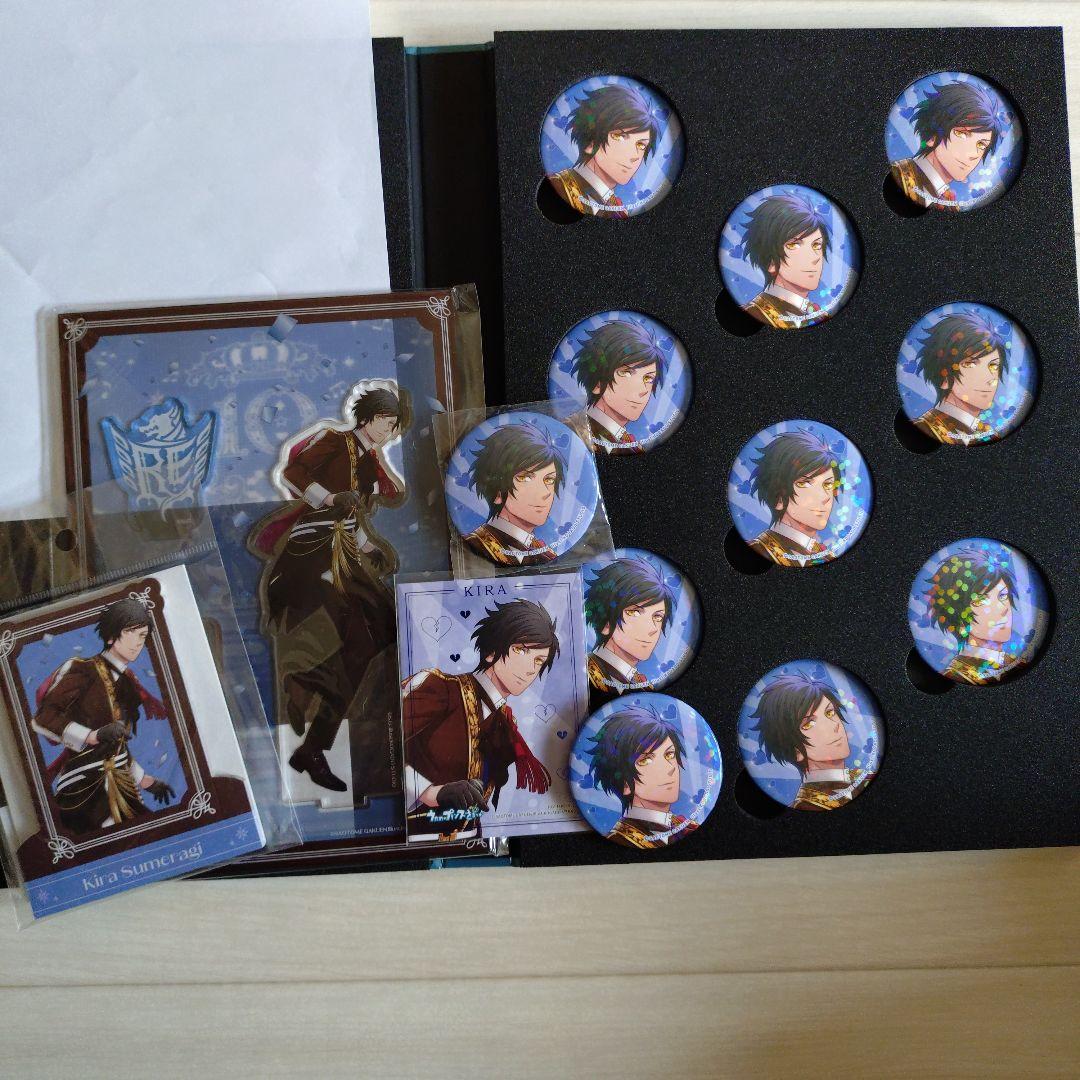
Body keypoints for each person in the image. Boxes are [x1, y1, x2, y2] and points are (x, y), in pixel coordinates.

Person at [249, 385, 408, 793]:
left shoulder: (370, 463)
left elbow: (352, 519)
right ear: (368, 417)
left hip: (345, 555)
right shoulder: (335, 441)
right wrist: (329, 496)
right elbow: (293, 473)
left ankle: (311, 710)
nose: (389, 431)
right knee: (358, 638)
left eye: (394, 426)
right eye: (386, 422)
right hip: (313, 552)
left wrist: (372, 548)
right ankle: (311, 709)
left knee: (385, 631)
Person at [402, 600, 558, 840]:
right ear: (491, 652)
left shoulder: (504, 723)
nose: (530, 668)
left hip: (469, 841)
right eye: (521, 650)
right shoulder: (440, 689)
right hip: (411, 839)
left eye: (539, 660)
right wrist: (431, 793)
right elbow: (378, 751)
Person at [32, 598, 174, 835]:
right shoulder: (82, 669)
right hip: (83, 789)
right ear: (110, 636)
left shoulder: (128, 682)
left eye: (142, 634)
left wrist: (146, 781)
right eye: (130, 631)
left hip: (120, 785)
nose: (137, 641)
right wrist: (92, 736)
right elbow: (43, 718)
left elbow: (116, 747)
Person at [749, 671, 872, 811]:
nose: (834, 725)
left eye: (830, 712)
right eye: (809, 724)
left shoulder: (864, 777)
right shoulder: (806, 805)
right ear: (795, 750)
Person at [584, 704, 695, 848]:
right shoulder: (621, 839)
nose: (670, 768)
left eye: (669, 754)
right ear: (625, 783)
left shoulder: (685, 826)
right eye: (646, 760)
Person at [547, 83, 660, 217]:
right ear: (590, 141)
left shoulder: (618, 209)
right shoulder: (558, 187)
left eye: (641, 145)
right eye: (619, 136)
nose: (635, 155)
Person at [890, 80, 1007, 209]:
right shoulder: (898, 176)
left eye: (981, 145)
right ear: (932, 136)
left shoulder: (950, 204)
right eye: (961, 134)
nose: (974, 154)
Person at [463, 422, 564, 566]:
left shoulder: (545, 553)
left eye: (549, 480)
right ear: (498, 492)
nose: (545, 493)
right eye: (525, 478)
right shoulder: (474, 546)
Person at [926, 547, 1025, 684]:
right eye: (981, 600)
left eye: (1003, 595)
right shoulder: (957, 676)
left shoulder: (1017, 664)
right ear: (958, 618)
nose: (1002, 608)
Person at [912, 311, 1009, 444]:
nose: (990, 378)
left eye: (993, 365)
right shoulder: (921, 430)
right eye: (970, 364)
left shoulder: (989, 435)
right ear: (944, 376)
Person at [746, 430, 840, 566]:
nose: (825, 496)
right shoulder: (756, 551)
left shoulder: (827, 556)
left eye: (828, 484)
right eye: (804, 483)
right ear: (779, 497)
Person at [570, 320, 666, 452]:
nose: (643, 390)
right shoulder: (574, 431)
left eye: (648, 378)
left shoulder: (629, 443)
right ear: (598, 383)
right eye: (626, 373)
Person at [584, 555, 676, 692]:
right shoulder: (582, 675)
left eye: (657, 617)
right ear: (606, 623)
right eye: (634, 612)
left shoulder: (643, 685)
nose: (653, 628)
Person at [741, 192, 831, 329]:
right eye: (794, 245)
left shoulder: (820, 316)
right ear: (771, 260)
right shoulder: (753, 314)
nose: (814, 257)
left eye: (816, 245)